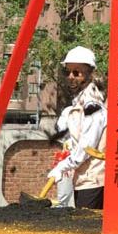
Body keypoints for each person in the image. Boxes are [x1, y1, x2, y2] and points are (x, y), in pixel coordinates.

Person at [46, 46, 106, 209]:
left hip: (94, 179)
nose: (71, 77)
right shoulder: (80, 101)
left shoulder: (92, 104)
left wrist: (63, 166)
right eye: (68, 72)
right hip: (85, 177)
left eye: (77, 72)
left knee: (88, 223)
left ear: (90, 74)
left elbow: (87, 146)